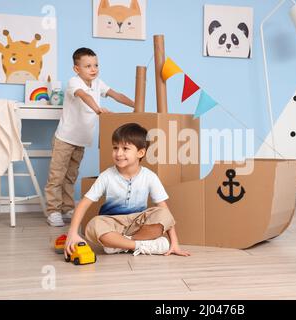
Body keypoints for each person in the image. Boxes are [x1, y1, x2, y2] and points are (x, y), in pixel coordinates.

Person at [64, 123, 191, 257]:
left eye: (125, 148)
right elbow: (83, 204)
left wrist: (174, 243)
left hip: (138, 224)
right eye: (115, 147)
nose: (119, 153)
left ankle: (119, 245)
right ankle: (139, 246)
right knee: (93, 225)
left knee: (164, 214)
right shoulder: (106, 176)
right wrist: (72, 233)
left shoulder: (149, 176)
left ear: (140, 152)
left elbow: (164, 210)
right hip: (112, 223)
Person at [45, 47, 134, 227]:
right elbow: (83, 96)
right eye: (88, 66)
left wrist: (136, 103)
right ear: (77, 69)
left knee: (71, 176)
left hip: (81, 141)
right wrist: (98, 109)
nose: (93, 69)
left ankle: (67, 207)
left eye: (95, 65)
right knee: (57, 176)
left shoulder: (98, 83)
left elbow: (115, 94)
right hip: (65, 138)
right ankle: (53, 210)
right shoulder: (74, 82)